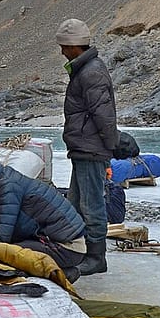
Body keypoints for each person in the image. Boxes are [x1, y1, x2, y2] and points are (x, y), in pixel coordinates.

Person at [0, 146, 85, 281]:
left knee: (5, 257)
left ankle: (62, 274)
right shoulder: (2, 181)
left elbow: (0, 237)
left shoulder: (7, 187)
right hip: (57, 242)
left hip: (66, 248)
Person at [56, 18, 118, 275]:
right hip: (84, 148)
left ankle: (96, 257)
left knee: (92, 205)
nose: (61, 51)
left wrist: (110, 146)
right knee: (76, 202)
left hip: (91, 149)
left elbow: (103, 114)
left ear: (74, 46)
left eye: (63, 46)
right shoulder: (85, 70)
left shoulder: (91, 72)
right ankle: (79, 250)